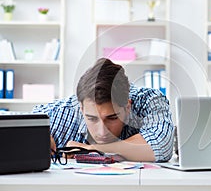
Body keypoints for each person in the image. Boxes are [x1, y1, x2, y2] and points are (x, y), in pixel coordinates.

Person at [32, 58, 174, 162]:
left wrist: (91, 149)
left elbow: (161, 146)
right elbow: (18, 123)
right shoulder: (60, 113)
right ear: (81, 109)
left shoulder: (148, 101)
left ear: (127, 107)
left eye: (112, 118)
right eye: (92, 119)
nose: (102, 132)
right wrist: (33, 134)